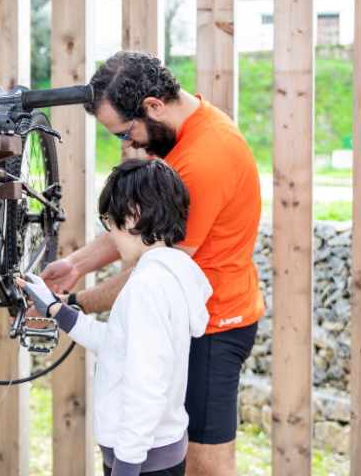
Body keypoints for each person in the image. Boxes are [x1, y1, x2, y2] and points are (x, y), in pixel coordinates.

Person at [38, 51, 264, 476]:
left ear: (154, 106)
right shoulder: (190, 129)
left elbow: (153, 268)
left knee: (206, 465)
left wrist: (76, 300)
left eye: (127, 131)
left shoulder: (202, 162)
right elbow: (138, 227)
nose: (129, 144)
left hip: (217, 326)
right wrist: (76, 264)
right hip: (195, 314)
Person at [18, 158, 211, 476]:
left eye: (109, 219)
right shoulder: (171, 274)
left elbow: (145, 387)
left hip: (139, 463)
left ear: (133, 215)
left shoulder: (145, 288)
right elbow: (119, 344)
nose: (109, 230)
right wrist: (55, 308)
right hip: (159, 452)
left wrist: (126, 467)